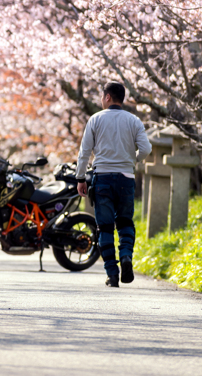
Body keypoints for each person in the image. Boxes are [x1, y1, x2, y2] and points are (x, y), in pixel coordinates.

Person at [76, 82, 151, 288]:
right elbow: (145, 148)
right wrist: (132, 160)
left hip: (102, 179)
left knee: (105, 227)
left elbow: (84, 153)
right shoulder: (133, 120)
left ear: (107, 97)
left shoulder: (96, 119)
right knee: (125, 222)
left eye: (102, 96)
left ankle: (112, 273)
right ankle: (126, 255)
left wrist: (80, 178)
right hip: (126, 178)